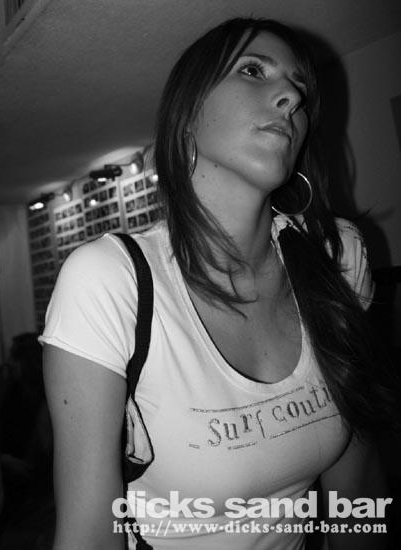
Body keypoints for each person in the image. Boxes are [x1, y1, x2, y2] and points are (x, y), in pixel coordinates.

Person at [41, 17, 395, 550]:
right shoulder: (109, 280)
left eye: (299, 88)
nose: (292, 98)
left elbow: (357, 488)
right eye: (253, 71)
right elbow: (90, 533)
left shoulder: (337, 255)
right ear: (188, 114)